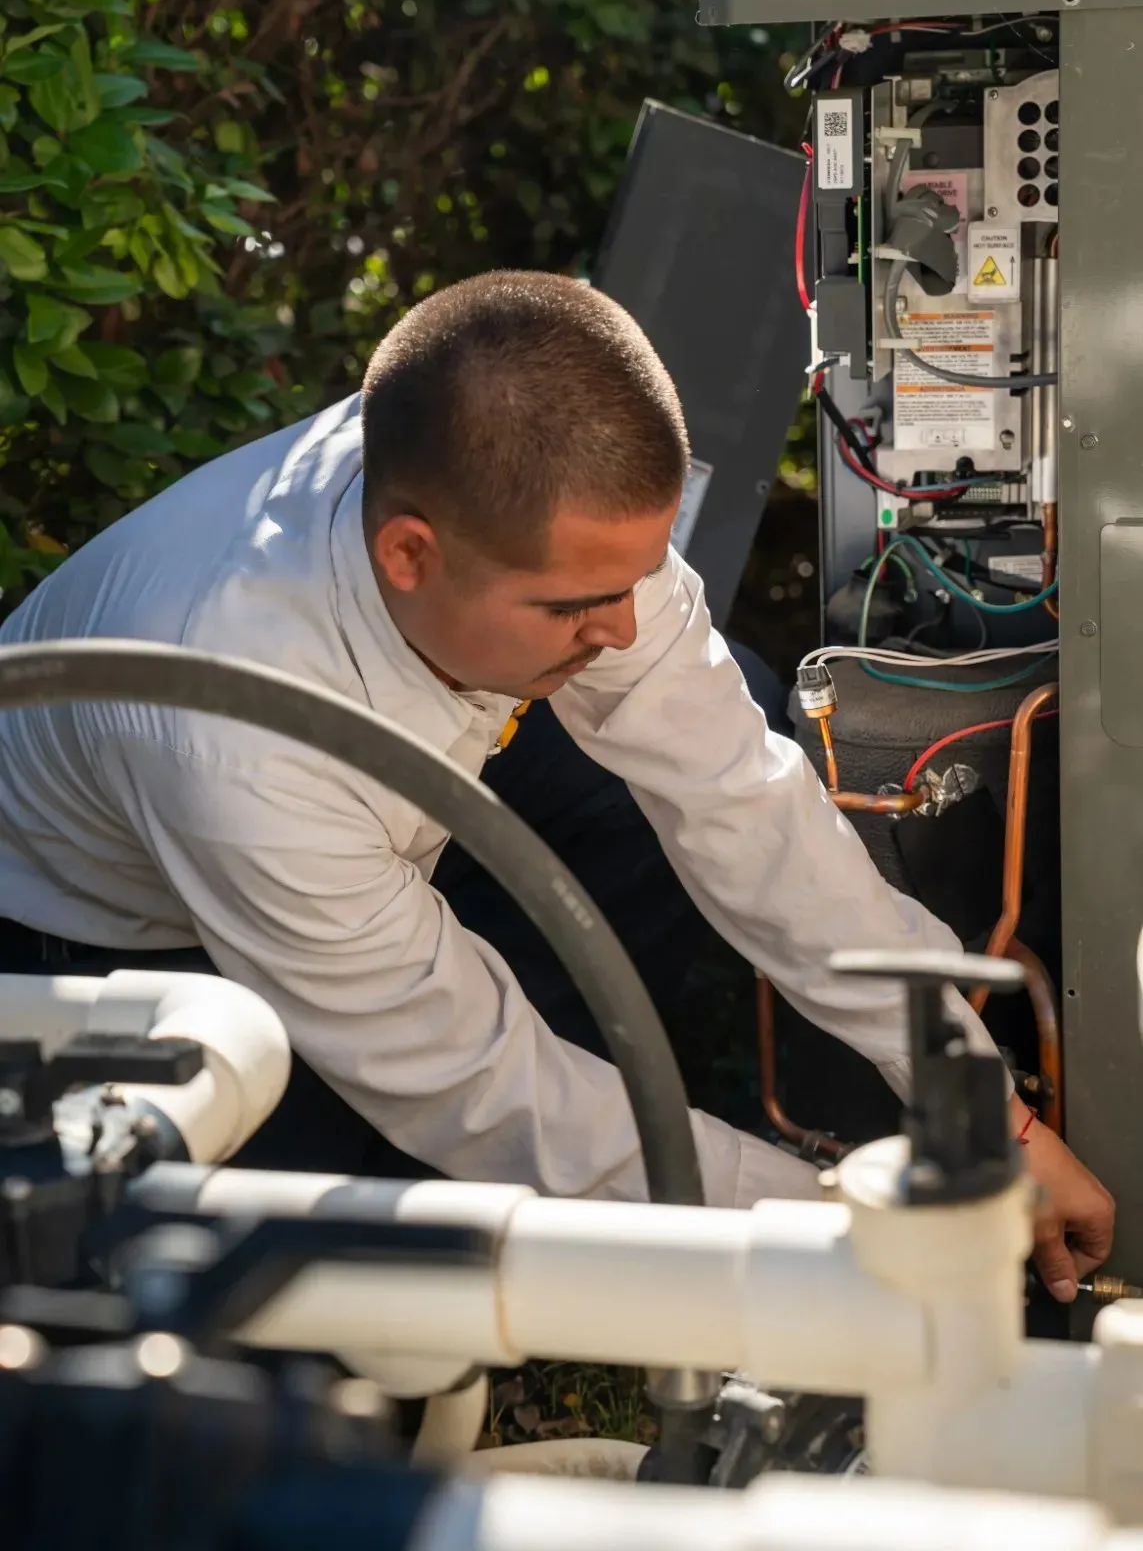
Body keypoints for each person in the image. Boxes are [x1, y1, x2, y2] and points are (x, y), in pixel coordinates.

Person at [0, 270, 1111, 1301]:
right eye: (577, 604)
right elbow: (479, 1080)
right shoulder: (238, 738)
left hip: (382, 791)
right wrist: (840, 1227)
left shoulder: (531, 512)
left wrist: (987, 1119)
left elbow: (742, 800)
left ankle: (552, 1120)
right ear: (408, 553)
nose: (624, 626)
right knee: (304, 1266)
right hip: (114, 932)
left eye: (639, 576)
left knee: (736, 713)